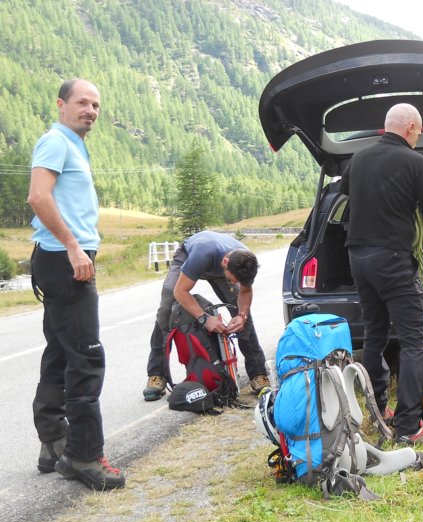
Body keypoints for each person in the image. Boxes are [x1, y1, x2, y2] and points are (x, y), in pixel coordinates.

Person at [27, 78, 125, 491]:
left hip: (59, 259)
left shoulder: (72, 144)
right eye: (82, 102)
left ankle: (54, 441)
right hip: (66, 260)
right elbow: (38, 197)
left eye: (96, 105)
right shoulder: (56, 141)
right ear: (61, 104)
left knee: (60, 350)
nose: (90, 111)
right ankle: (84, 457)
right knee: (86, 357)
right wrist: (73, 248)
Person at [340, 103, 423, 445]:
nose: (419, 136)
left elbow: (345, 191)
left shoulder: (358, 158)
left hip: (358, 256)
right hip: (393, 258)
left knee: (375, 333)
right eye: (420, 130)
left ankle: (378, 409)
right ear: (411, 127)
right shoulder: (418, 163)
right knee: (415, 340)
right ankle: (409, 427)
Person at [142, 230, 270, 401]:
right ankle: (157, 374)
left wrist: (242, 315)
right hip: (190, 256)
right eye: (233, 280)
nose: (234, 283)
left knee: (243, 317)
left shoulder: (246, 262)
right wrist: (204, 318)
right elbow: (180, 291)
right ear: (225, 263)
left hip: (222, 265)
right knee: (166, 309)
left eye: (237, 281)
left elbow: (245, 292)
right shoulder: (201, 254)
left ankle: (258, 373)